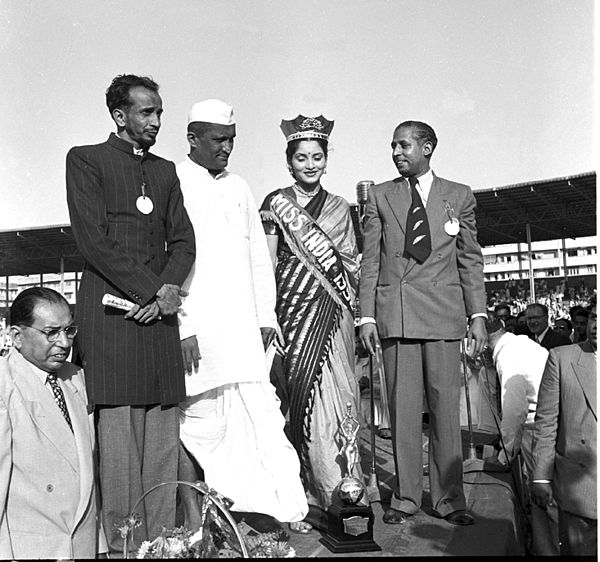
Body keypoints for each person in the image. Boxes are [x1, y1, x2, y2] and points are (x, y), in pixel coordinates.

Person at [66, 74, 196, 554]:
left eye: (160, 112)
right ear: (120, 116)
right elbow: (92, 241)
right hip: (113, 319)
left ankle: (162, 545)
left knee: (162, 437)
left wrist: (165, 297)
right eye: (147, 112)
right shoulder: (86, 160)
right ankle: (124, 548)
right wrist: (150, 291)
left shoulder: (165, 171)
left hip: (158, 318)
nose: (156, 121)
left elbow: (183, 241)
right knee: (119, 444)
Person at [176, 99, 308, 530]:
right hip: (198, 335)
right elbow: (169, 261)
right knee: (200, 430)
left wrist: (266, 317)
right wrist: (184, 326)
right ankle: (199, 525)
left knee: (258, 426)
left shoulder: (240, 187)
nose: (227, 148)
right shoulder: (173, 180)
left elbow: (257, 258)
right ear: (193, 139)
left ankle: (258, 517)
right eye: (218, 140)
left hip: (243, 334)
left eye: (232, 140)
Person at [359, 120, 487, 526]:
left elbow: (470, 259)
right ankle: (407, 497)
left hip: (445, 318)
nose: (396, 153)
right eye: (392, 146)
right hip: (396, 316)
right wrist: (366, 314)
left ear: (428, 147)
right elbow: (370, 261)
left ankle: (450, 499)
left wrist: (478, 316)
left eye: (404, 145)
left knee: (446, 411)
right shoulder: (380, 196)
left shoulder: (459, 196)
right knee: (403, 411)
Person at [260, 115, 363, 531]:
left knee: (338, 396)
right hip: (290, 311)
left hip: (332, 314)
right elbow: (267, 262)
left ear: (326, 160)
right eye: (301, 158)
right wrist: (268, 316)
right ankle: (301, 491)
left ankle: (341, 487)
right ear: (289, 163)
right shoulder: (276, 202)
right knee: (295, 398)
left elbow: (351, 264)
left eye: (317, 157)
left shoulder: (340, 207)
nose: (310, 164)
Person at [0, 288, 107, 559]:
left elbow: (88, 473)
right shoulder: (4, 384)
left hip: (82, 546)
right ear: (16, 336)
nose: (64, 343)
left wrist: (101, 545)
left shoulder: (77, 378)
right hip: (29, 550)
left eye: (69, 331)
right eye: (51, 332)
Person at [485, 315, 559, 554]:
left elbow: (514, 408)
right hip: (547, 421)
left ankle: (548, 550)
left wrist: (506, 453)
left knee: (542, 497)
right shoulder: (520, 343)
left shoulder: (509, 355)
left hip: (537, 427)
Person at [532, 303, 597, 557]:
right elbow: (546, 421)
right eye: (594, 317)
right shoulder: (562, 358)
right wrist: (541, 476)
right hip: (579, 489)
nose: (596, 325)